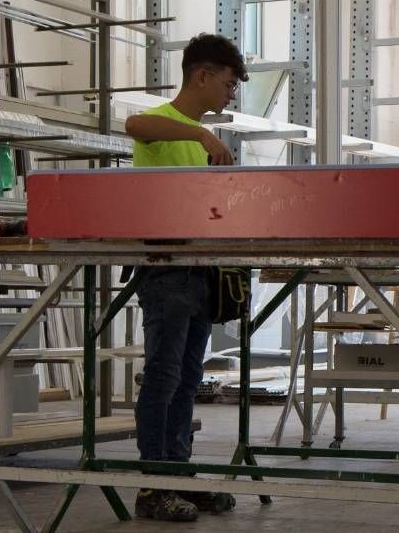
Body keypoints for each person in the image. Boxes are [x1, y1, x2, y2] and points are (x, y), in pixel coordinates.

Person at [125, 33, 248, 522]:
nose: (230, 92)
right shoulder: (169, 124)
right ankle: (153, 485)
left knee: (188, 378)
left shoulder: (195, 135)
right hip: (166, 271)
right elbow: (134, 123)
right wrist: (200, 136)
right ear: (202, 75)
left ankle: (176, 473)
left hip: (198, 271)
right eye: (229, 82)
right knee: (163, 375)